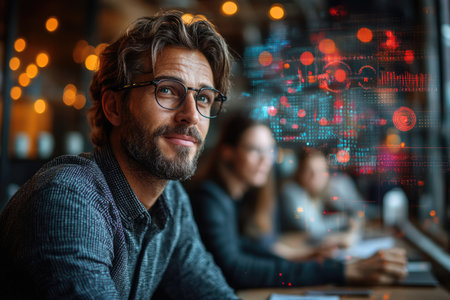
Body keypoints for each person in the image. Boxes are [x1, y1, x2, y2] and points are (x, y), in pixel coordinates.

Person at [0, 11, 238, 299]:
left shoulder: (171, 200)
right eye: (166, 90)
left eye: (203, 98)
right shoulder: (68, 198)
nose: (191, 115)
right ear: (114, 107)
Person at [189, 112, 408, 289]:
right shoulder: (209, 198)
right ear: (228, 153)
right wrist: (339, 271)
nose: (266, 159)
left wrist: (300, 257)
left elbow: (239, 246)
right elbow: (235, 269)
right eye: (255, 150)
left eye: (270, 150)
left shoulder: (229, 198)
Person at [280, 148, 365, 249]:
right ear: (299, 173)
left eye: (321, 171)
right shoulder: (291, 191)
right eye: (309, 171)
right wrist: (346, 220)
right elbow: (314, 229)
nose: (316, 176)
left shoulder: (322, 192)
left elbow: (359, 209)